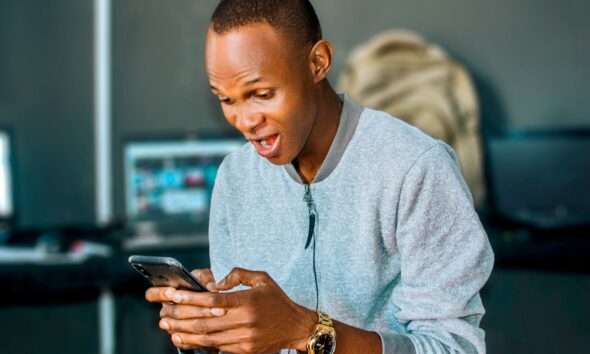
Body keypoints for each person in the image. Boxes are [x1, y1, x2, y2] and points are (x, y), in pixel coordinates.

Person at [145, 1, 494, 353]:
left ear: (318, 63)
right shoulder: (235, 178)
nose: (245, 121)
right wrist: (209, 326)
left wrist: (307, 331)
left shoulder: (415, 168)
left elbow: (453, 347)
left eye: (262, 94)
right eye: (227, 100)